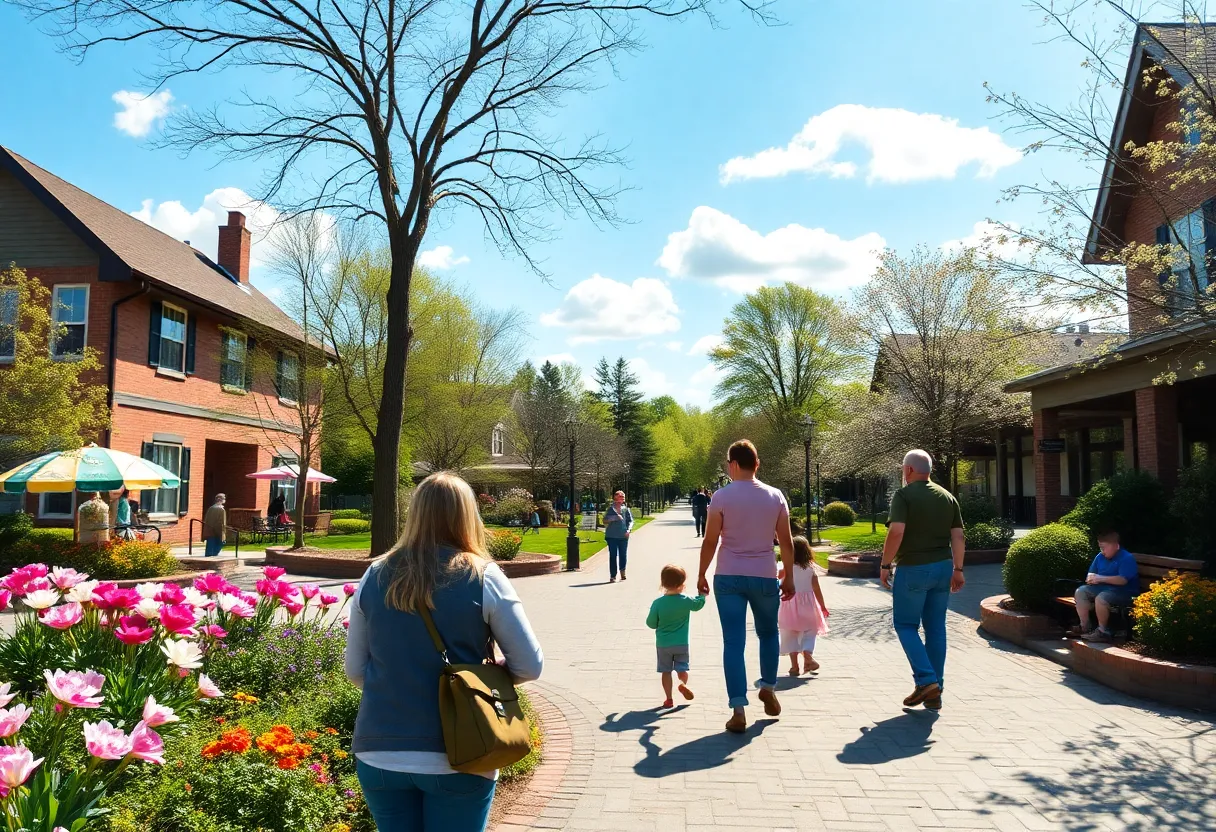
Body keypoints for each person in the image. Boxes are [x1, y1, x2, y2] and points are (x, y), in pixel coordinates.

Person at [345, 471, 543, 832]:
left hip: (379, 750)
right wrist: (486, 675)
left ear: (415, 512)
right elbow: (529, 665)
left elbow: (356, 670)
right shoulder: (484, 576)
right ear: (468, 515)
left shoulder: (374, 575)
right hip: (463, 750)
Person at [697, 439, 795, 734]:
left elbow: (711, 540)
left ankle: (738, 708)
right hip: (765, 574)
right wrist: (788, 575)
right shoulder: (776, 496)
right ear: (757, 464)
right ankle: (768, 686)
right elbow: (786, 542)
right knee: (768, 633)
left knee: (733, 642)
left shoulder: (721, 498)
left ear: (732, 465)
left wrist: (701, 573)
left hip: (728, 576)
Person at [879, 449, 965, 711]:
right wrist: (958, 569)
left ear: (908, 471)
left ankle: (926, 680)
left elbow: (896, 531)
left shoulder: (904, 496)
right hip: (943, 568)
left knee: (905, 625)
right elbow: (959, 536)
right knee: (936, 628)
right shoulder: (947, 497)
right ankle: (935, 690)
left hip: (914, 567)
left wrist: (885, 564)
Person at [646, 564, 706, 709]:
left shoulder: (658, 603)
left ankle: (669, 699)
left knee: (665, 671)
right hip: (681, 643)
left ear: (663, 583)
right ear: (682, 583)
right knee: (682, 669)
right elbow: (698, 605)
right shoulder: (686, 600)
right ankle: (682, 684)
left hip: (663, 644)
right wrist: (702, 594)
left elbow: (651, 623)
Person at [1073, 530, 1139, 643]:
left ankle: (1102, 632)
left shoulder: (1126, 558)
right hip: (1102, 588)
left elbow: (1122, 580)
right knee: (1081, 591)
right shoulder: (1100, 557)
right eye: (1100, 547)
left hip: (1124, 592)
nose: (1101, 551)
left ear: (1116, 546)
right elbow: (1091, 573)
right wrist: (1091, 578)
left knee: (1102, 598)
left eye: (1103, 547)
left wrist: (1100, 578)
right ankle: (1084, 627)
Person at [778, 536, 830, 676]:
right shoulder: (810, 569)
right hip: (808, 605)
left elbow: (777, 579)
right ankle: (808, 658)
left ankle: (794, 667)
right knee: (809, 632)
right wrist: (823, 606)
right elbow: (817, 589)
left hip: (788, 604)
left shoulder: (785, 569)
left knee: (790, 634)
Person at [603, 490, 633, 583]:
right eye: (621, 497)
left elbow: (631, 521)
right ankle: (613, 576)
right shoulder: (610, 509)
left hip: (623, 536)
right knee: (613, 556)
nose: (623, 498)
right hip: (612, 536)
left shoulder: (626, 509)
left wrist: (628, 530)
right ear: (615, 498)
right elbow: (604, 520)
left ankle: (623, 572)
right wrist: (615, 518)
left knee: (623, 555)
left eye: (623, 497)